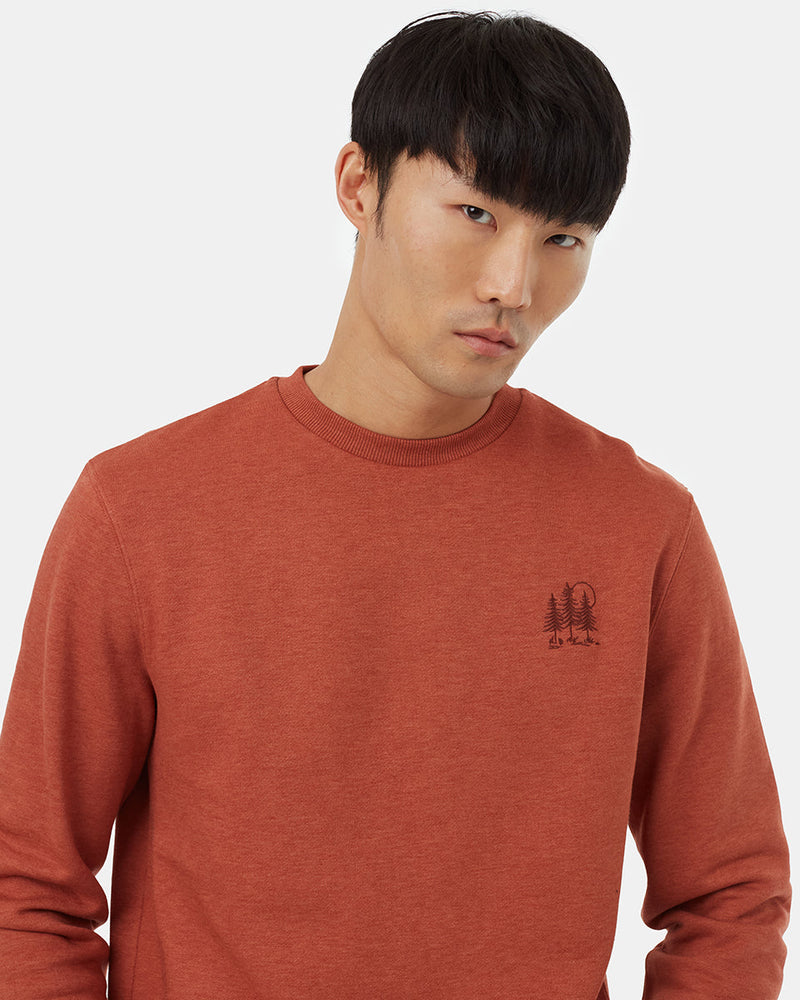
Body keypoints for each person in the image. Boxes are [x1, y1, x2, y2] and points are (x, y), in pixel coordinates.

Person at [0, 10, 790, 999]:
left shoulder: (639, 525)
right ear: (357, 185)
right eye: (475, 212)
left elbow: (729, 892)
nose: (513, 284)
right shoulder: (141, 509)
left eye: (562, 236)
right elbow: (28, 888)